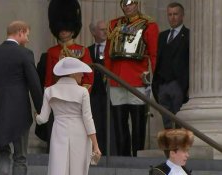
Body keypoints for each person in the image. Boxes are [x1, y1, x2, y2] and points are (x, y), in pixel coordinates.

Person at [0, 21, 43, 175]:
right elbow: (34, 84)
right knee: (20, 155)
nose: (28, 39)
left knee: (1, 149)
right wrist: (41, 109)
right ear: (19, 32)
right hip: (19, 108)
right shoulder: (25, 54)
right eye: (27, 35)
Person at [104, 0, 159, 156]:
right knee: (119, 125)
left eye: (131, 3)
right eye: (124, 4)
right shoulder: (114, 24)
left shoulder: (149, 25)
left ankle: (137, 157)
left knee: (138, 125)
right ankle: (122, 158)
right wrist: (108, 75)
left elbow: (153, 54)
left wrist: (154, 78)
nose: (127, 7)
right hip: (116, 79)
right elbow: (108, 53)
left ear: (137, 4)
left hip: (137, 80)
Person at [36, 57, 102, 175]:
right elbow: (88, 120)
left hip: (59, 131)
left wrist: (36, 117)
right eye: (80, 71)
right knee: (78, 170)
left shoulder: (49, 91)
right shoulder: (83, 92)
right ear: (72, 73)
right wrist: (96, 146)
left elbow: (43, 119)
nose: (82, 75)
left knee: (58, 167)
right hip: (79, 132)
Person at [152, 2, 189, 129]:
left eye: (175, 14)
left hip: (178, 85)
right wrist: (156, 85)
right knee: (167, 123)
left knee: (179, 121)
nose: (172, 17)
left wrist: (184, 86)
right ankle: (169, 149)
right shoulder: (162, 36)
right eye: (170, 14)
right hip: (162, 85)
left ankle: (179, 149)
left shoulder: (188, 35)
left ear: (182, 15)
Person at [45, 0, 94, 91]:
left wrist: (80, 95)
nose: (63, 31)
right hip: (58, 95)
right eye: (60, 29)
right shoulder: (52, 51)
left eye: (67, 28)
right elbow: (49, 79)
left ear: (73, 31)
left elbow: (88, 77)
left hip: (77, 95)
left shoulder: (83, 51)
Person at [88, 20, 108, 154]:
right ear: (93, 32)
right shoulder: (88, 50)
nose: (105, 32)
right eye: (101, 29)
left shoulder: (111, 48)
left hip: (109, 91)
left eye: (106, 29)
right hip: (93, 93)